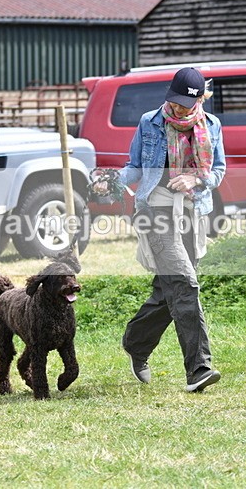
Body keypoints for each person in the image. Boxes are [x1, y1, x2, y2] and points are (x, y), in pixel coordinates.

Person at [93, 66, 226, 392]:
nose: (179, 109)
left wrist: (196, 177)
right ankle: (199, 370)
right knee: (185, 283)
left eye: (186, 104)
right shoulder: (149, 122)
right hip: (157, 212)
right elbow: (135, 167)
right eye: (176, 102)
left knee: (170, 293)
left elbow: (218, 169)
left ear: (200, 99)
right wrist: (109, 180)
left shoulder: (212, 126)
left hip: (193, 213)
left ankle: (136, 343)